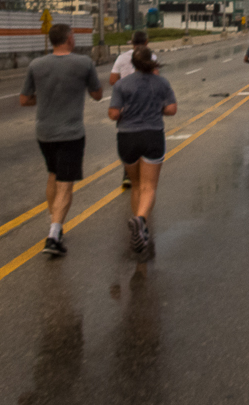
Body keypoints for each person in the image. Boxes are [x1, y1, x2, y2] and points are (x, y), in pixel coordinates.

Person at [19, 24, 103, 257]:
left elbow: (24, 100)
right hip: (71, 132)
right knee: (66, 182)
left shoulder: (36, 65)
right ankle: (54, 235)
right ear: (68, 38)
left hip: (44, 132)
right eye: (73, 35)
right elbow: (98, 95)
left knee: (53, 175)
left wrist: (45, 98)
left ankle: (54, 220)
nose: (74, 38)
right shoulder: (84, 63)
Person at [108, 46, 177, 259]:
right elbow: (172, 109)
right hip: (152, 135)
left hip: (127, 138)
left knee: (136, 185)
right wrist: (157, 108)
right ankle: (141, 221)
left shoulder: (121, 84)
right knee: (149, 186)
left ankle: (138, 222)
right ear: (152, 63)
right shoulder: (162, 82)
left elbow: (113, 114)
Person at [109, 30, 158, 187]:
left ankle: (128, 174)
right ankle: (145, 170)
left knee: (128, 134)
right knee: (146, 133)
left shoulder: (122, 58)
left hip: (126, 101)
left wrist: (124, 86)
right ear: (146, 42)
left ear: (131, 42)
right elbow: (156, 78)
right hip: (146, 101)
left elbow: (112, 80)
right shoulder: (151, 56)